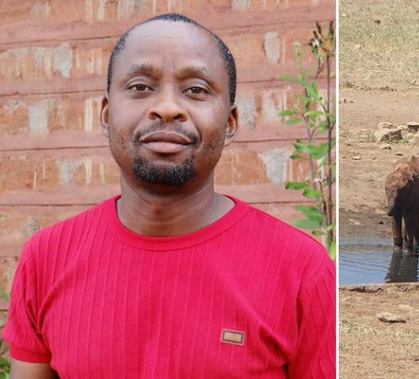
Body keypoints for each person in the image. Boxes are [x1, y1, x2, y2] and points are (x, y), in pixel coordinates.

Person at [2, 13, 336, 378]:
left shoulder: (303, 270)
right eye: (141, 87)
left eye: (196, 90)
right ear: (106, 113)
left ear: (230, 122)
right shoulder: (46, 258)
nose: (167, 107)